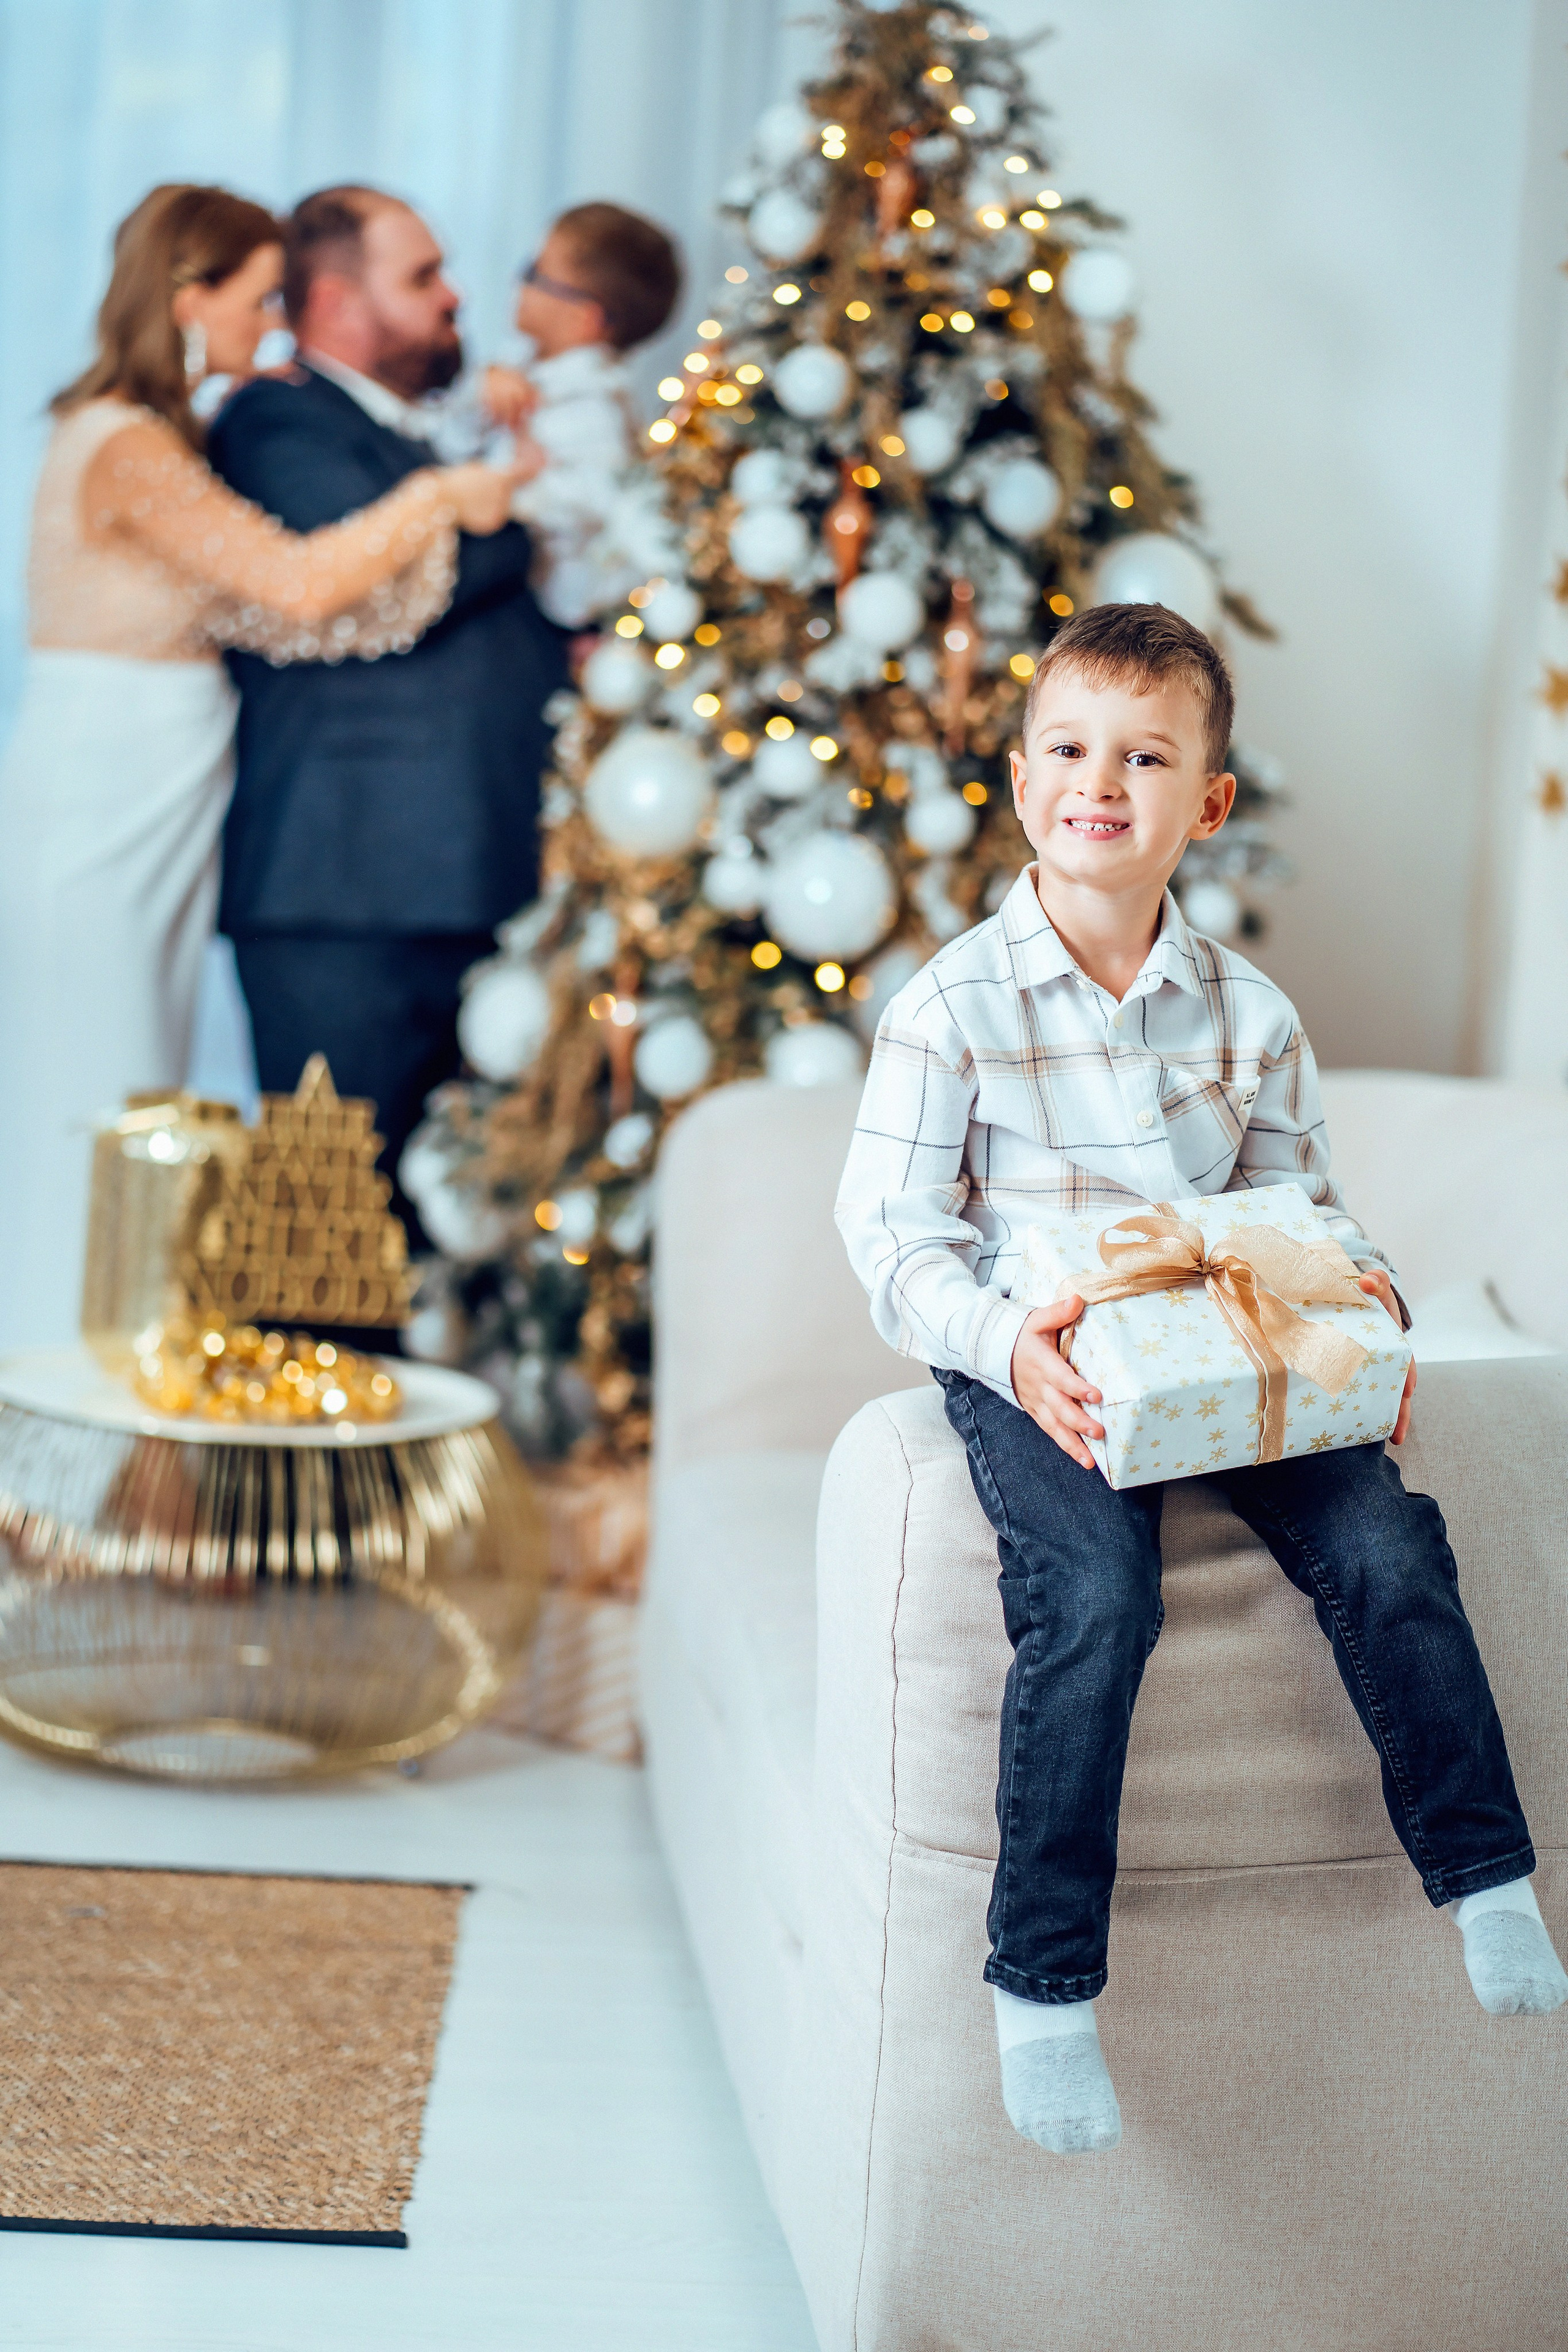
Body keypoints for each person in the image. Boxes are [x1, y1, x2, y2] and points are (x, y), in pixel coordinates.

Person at [835, 603, 1567, 2157]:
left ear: (1206, 802)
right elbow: (893, 1237)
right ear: (1020, 774)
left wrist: (1358, 1309)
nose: (1099, 781)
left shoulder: (1248, 1015)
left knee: (1382, 1541)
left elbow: (1304, 1212)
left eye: (1144, 754)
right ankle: (1039, 1979)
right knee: (1095, 1596)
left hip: (1222, 1345)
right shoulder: (948, 1007)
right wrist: (1002, 1348)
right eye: (1068, 747)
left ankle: (1484, 1873)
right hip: (1042, 1353)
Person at [0, 183, 518, 1349]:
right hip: (103, 799)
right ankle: (53, 1416)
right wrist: (443, 494)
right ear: (189, 300)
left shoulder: (161, 439)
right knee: (88, 1105)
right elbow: (294, 585)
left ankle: (99, 1412)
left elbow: (295, 617)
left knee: (135, 1096)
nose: (275, 325)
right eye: (257, 298)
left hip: (162, 793)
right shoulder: (125, 443)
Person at [207, 184, 570, 1262]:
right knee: (318, 1240)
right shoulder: (277, 421)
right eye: (422, 277)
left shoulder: (421, 437)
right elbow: (385, 581)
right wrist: (507, 524)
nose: (456, 296)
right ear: (335, 301)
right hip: (343, 888)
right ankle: (285, 1440)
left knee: (415, 1236)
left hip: (455, 881)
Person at [497, 201, 681, 628]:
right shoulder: (523, 370)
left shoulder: (595, 415)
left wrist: (515, 486)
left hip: (544, 616)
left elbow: (598, 508)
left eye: (535, 273)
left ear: (585, 319)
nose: (520, 284)